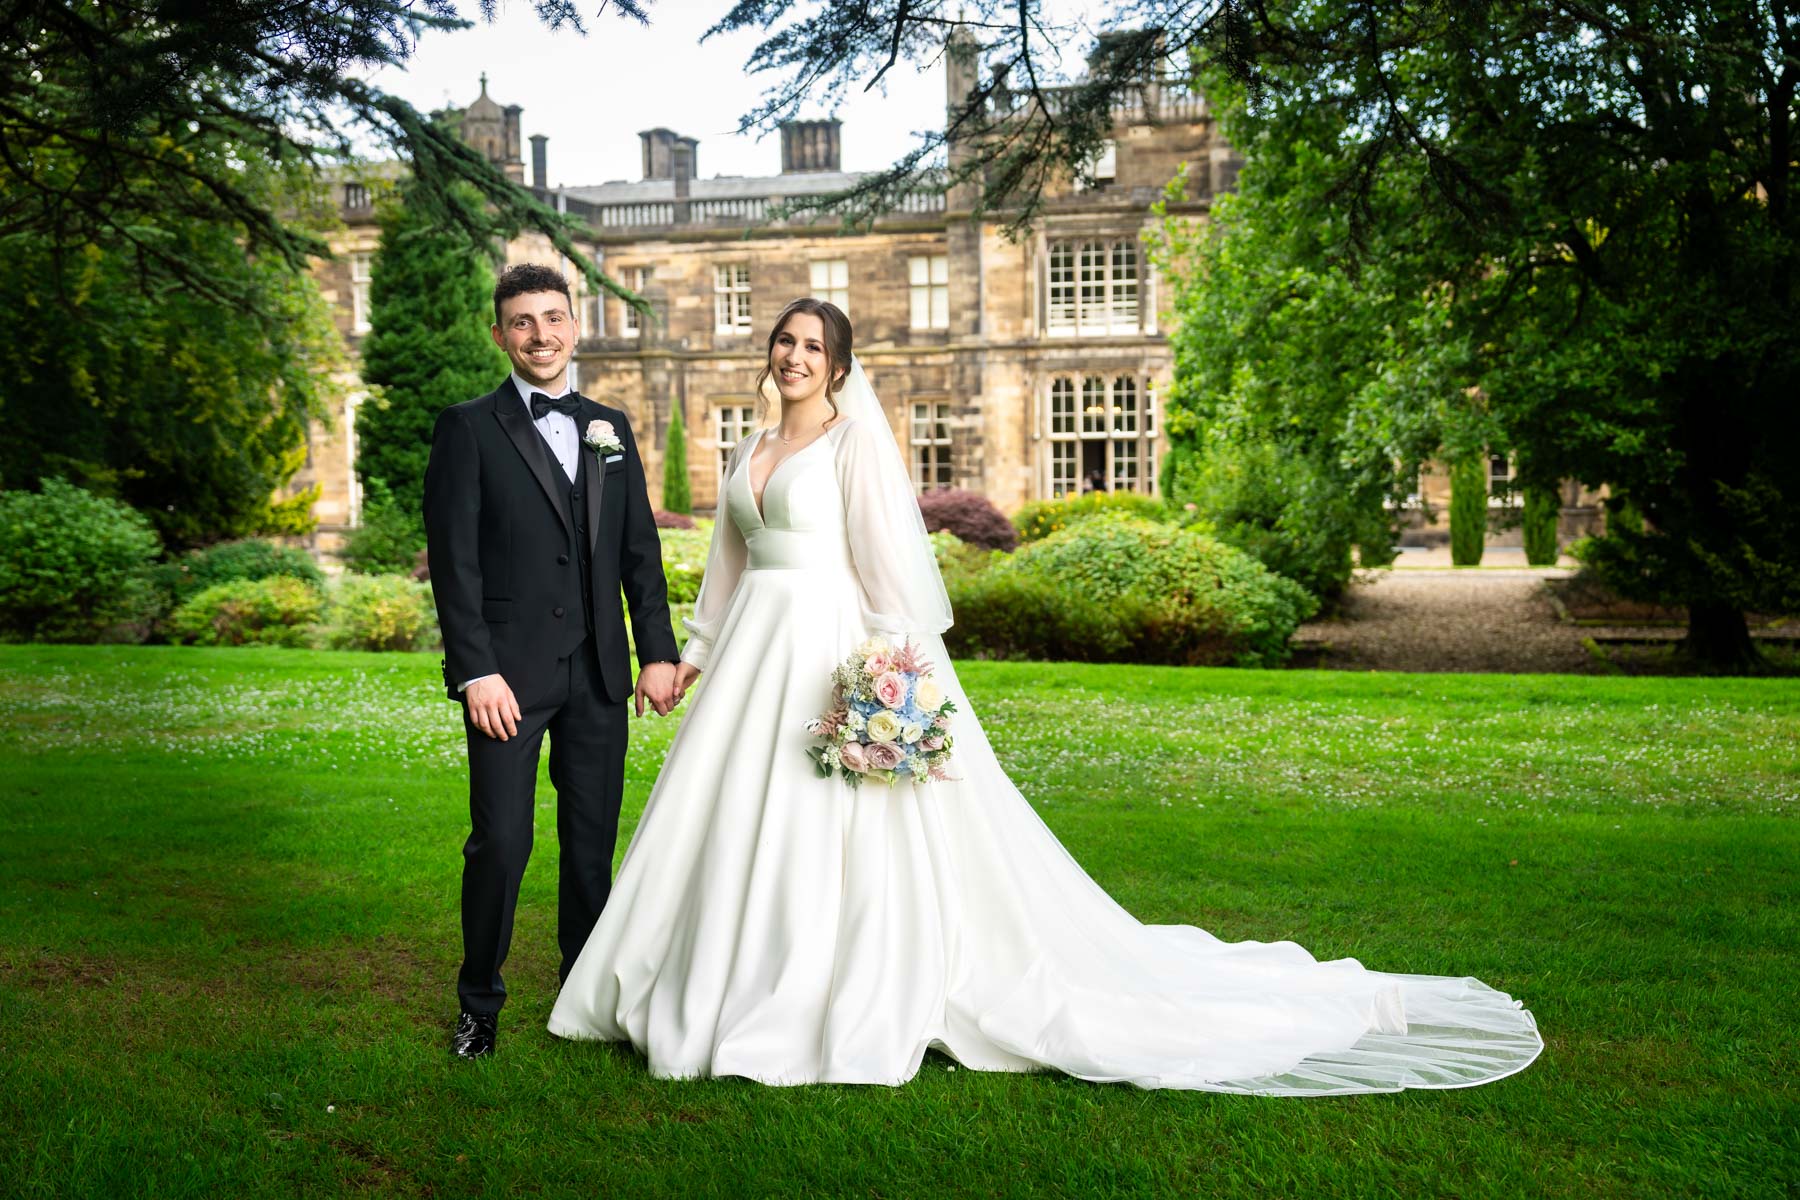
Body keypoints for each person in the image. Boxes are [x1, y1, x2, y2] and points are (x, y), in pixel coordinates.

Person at [548, 298, 1543, 1093]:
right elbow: (726, 568)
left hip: (829, 648)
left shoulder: (852, 447)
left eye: (814, 346)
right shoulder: (750, 448)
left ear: (842, 369)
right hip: (751, 656)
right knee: (723, 822)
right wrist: (693, 654)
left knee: (839, 824)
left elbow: (890, 578)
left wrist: (887, 691)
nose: (796, 356)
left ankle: (818, 984)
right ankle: (710, 976)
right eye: (786, 342)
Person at [423, 264, 680, 1060]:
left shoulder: (610, 425)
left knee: (591, 842)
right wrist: (475, 670)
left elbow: (640, 552)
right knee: (500, 842)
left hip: (600, 671)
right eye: (523, 322)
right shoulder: (467, 428)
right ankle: (480, 1003)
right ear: (500, 334)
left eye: (553, 318)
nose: (541, 335)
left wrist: (658, 654)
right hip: (507, 675)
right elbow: (453, 560)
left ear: (576, 326)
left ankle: (583, 991)